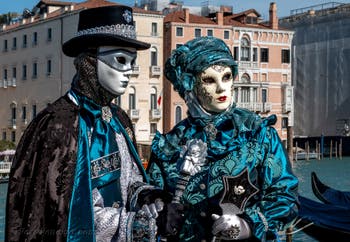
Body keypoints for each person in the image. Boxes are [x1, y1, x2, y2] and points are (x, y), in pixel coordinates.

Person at [5, 5, 183, 242]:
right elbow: (65, 217)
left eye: (132, 61)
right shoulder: (58, 127)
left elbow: (129, 182)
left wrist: (151, 199)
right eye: (121, 60)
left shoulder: (119, 119)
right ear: (89, 61)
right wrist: (140, 224)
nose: (129, 71)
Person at [147, 36, 299, 241]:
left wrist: (248, 224)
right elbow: (152, 202)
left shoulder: (258, 134)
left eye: (226, 77)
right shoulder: (170, 146)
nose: (221, 88)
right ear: (190, 86)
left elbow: (285, 196)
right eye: (209, 80)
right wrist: (162, 216)